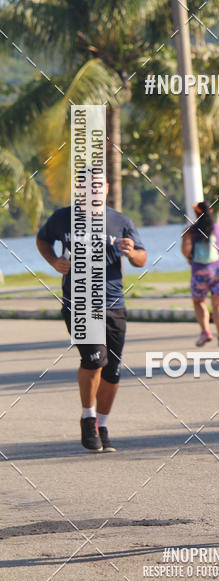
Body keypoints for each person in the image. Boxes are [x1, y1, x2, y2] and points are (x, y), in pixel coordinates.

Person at [36, 179, 147, 452]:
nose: (92, 192)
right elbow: (42, 239)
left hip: (113, 303)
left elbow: (142, 257)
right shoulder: (63, 218)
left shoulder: (120, 221)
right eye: (86, 187)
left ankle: (103, 425)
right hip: (78, 303)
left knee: (113, 370)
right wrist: (54, 261)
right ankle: (88, 418)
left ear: (106, 189)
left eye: (98, 187)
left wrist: (132, 253)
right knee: (95, 358)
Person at [181, 201, 219, 347]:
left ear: (196, 213)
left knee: (199, 301)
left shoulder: (190, 231)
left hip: (201, 270)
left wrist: (190, 259)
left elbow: (185, 250)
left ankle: (206, 332)